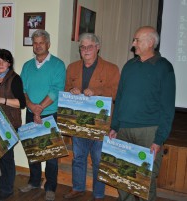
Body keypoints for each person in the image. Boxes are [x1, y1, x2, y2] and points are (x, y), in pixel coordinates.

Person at [108, 26, 176, 201]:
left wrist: (159, 138)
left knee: (145, 180)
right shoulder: (129, 66)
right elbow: (120, 98)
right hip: (123, 130)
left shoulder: (164, 68)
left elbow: (168, 107)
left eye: (137, 40)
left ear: (150, 42)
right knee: (123, 177)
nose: (133, 43)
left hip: (149, 132)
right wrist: (115, 126)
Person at [63, 33, 120, 200]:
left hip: (100, 124)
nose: (85, 50)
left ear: (98, 47)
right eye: (82, 47)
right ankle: (78, 188)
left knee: (98, 160)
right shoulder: (72, 67)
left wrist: (97, 92)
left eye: (89, 46)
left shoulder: (111, 68)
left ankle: (98, 193)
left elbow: (116, 93)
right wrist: (70, 91)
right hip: (78, 122)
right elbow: (66, 88)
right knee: (78, 158)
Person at [19, 29, 66, 201]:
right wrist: (31, 106)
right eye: (35, 42)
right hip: (31, 114)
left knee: (51, 153)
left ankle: (51, 186)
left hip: (51, 114)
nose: (38, 46)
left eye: (41, 42)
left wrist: (39, 109)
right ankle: (33, 181)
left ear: (48, 44)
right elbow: (22, 90)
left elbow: (56, 89)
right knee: (33, 150)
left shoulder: (58, 65)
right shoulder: (27, 66)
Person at [0, 49, 26, 200]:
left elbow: (21, 103)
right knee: (0, 155)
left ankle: (7, 189)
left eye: (4, 61)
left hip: (9, 123)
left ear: (9, 63)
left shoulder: (15, 79)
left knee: (7, 157)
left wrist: (2, 100)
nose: (0, 64)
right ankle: (3, 182)